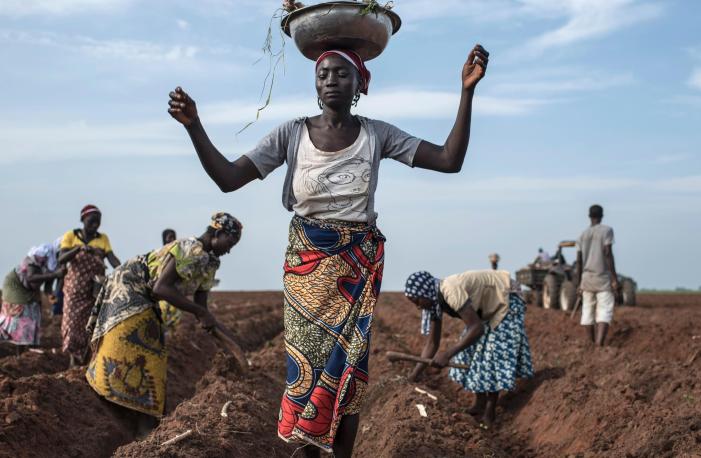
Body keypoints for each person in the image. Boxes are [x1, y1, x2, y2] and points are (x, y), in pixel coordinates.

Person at [168, 43, 489, 457]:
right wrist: (194, 126)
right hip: (306, 272)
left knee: (350, 375)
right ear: (314, 85)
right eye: (323, 75)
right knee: (304, 370)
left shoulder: (377, 134)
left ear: (359, 83)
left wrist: (466, 93)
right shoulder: (291, 133)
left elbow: (449, 160)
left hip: (356, 272)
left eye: (341, 74)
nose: (331, 80)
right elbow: (229, 178)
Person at [85, 212, 243, 431]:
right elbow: (161, 287)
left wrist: (232, 342)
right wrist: (199, 311)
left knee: (153, 351)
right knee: (134, 345)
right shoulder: (190, 249)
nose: (230, 249)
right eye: (230, 242)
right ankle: (105, 392)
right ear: (218, 233)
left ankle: (144, 420)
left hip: (147, 295)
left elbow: (203, 310)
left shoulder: (210, 263)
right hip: (130, 285)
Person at [405, 270, 533, 429]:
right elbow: (432, 343)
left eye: (417, 300)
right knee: (468, 352)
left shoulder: (450, 290)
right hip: (485, 307)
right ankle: (480, 402)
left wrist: (448, 354)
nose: (417, 306)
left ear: (424, 291)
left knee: (491, 355)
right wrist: (414, 375)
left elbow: (476, 327)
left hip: (506, 296)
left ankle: (490, 411)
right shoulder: (433, 303)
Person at [58, 205, 121, 366]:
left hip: (94, 289)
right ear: (83, 219)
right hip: (75, 289)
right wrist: (78, 249)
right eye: (92, 220)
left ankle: (85, 364)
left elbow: (112, 259)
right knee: (71, 325)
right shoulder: (71, 236)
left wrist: (122, 269)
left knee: (90, 325)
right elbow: (61, 258)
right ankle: (73, 361)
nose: (96, 223)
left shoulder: (103, 238)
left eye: (98, 221)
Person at [1, 244, 66, 347]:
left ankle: (26, 347)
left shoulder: (53, 264)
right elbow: (31, 277)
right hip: (16, 286)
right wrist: (55, 275)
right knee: (20, 313)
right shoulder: (38, 256)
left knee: (34, 311)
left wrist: (50, 294)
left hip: (30, 289)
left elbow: (48, 283)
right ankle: (15, 345)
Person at [576, 204, 619, 347]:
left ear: (589, 216)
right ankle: (599, 345)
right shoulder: (607, 231)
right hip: (602, 278)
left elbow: (579, 261)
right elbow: (607, 253)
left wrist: (579, 283)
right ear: (602, 215)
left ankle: (591, 344)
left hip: (586, 279)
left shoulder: (582, 235)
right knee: (604, 311)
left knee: (587, 312)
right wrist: (614, 277)